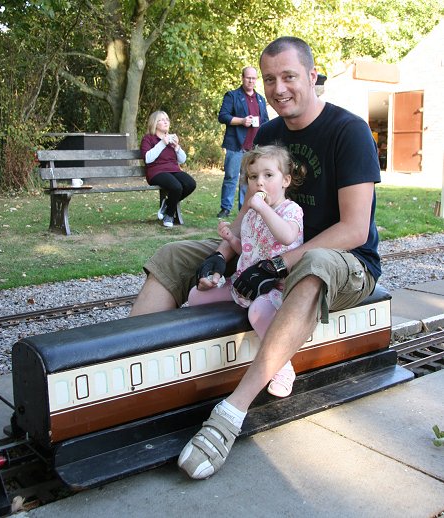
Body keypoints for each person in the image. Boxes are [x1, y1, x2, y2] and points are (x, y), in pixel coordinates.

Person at [130, 36, 381, 480]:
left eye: (288, 76)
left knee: (313, 265)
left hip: (345, 260)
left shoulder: (349, 131)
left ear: (312, 75)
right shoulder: (267, 133)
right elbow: (250, 209)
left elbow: (354, 229)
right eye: (269, 79)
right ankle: (136, 373)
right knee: (173, 254)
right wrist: (223, 253)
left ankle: (230, 414)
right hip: (264, 250)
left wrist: (280, 264)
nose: (278, 88)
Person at [188, 145, 304, 397]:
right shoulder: (251, 215)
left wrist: (262, 209)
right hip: (244, 283)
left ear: (286, 180)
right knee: (196, 296)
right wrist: (231, 239)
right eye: (253, 177)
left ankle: (283, 366)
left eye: (268, 176)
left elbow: (287, 237)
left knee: (258, 311)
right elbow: (250, 250)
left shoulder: (290, 210)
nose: (259, 183)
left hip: (274, 288)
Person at [216, 67, 269, 218]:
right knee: (231, 177)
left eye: (253, 78)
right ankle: (225, 208)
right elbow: (223, 116)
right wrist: (242, 121)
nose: (251, 81)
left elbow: (265, 121)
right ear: (242, 78)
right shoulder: (232, 95)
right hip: (235, 144)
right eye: (248, 78)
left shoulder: (261, 99)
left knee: (248, 179)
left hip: (254, 146)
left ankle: (244, 208)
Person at [140, 111, 196, 228]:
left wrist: (177, 147)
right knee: (176, 187)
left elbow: (182, 160)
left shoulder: (171, 139)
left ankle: (166, 204)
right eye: (162, 119)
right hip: (156, 172)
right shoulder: (148, 139)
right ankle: (169, 215)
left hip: (173, 170)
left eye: (167, 119)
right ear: (154, 123)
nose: (166, 122)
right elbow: (147, 159)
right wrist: (162, 143)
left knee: (190, 184)